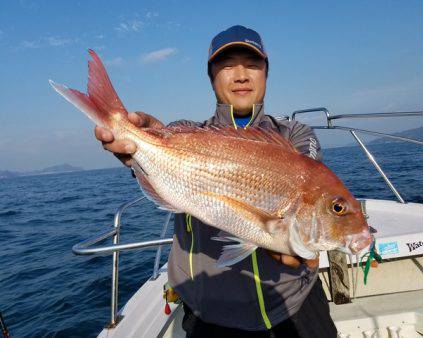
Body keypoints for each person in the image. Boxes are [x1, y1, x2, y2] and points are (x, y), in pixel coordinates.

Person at [95, 25, 337, 338]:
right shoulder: (185, 132)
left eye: (252, 65)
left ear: (266, 73)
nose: (241, 75)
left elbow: (309, 182)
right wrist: (141, 150)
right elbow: (164, 165)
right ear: (211, 76)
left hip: (293, 305)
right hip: (209, 314)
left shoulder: (294, 135)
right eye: (227, 65)